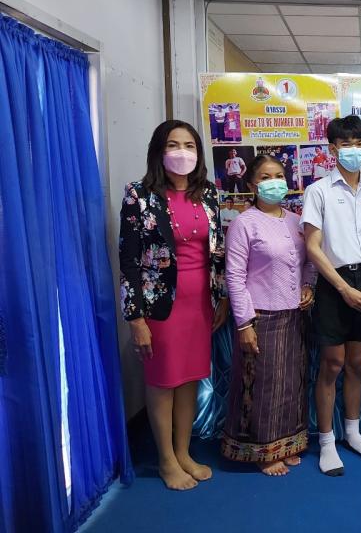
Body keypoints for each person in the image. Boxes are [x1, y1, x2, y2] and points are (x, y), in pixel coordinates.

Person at [119, 120, 228, 491]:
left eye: (189, 145)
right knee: (164, 380)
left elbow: (217, 251)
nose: (182, 152)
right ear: (158, 151)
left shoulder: (208, 193)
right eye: (173, 145)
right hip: (160, 307)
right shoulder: (139, 195)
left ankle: (183, 452)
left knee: (190, 378)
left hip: (200, 304)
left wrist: (221, 296)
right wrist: (135, 318)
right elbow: (128, 260)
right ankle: (166, 459)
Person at [301, 115, 361, 476]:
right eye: (346, 144)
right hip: (334, 283)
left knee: (357, 363)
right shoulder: (318, 191)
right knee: (332, 364)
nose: (354, 150)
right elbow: (312, 246)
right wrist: (343, 288)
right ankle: (326, 441)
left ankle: (353, 432)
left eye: (360, 143)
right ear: (333, 148)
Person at [221, 155, 315, 476]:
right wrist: (244, 323)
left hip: (294, 316)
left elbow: (309, 261)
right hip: (260, 316)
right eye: (265, 177)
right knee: (262, 385)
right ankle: (261, 450)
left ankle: (287, 443)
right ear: (252, 184)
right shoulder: (244, 223)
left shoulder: (296, 221)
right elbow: (234, 276)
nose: (273, 182)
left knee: (291, 383)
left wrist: (308, 285)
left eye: (278, 175)